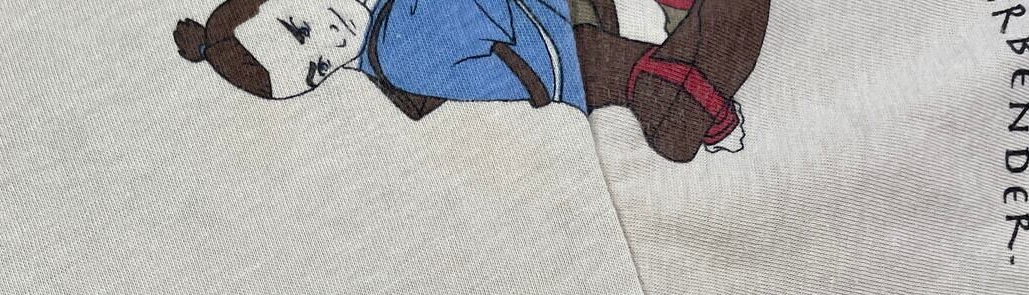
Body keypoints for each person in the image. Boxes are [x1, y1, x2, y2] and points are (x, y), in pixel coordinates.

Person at [172, 0, 770, 162]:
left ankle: (686, 82)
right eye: (317, 70)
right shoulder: (398, 46)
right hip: (580, 40)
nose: (330, 42)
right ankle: (679, 88)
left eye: (300, 28)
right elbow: (531, 50)